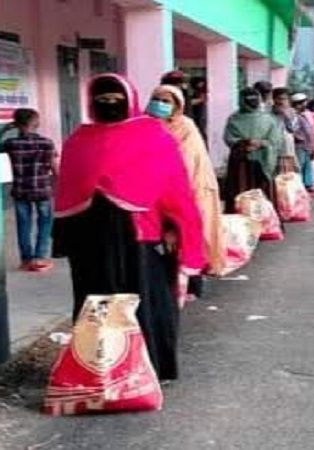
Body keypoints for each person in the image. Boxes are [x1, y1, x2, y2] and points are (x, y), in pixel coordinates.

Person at [53, 74, 205, 381]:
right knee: (96, 301)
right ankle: (101, 368)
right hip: (89, 239)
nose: (109, 104)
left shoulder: (154, 136)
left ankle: (146, 367)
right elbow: (67, 189)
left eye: (116, 99)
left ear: (130, 100)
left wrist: (177, 227)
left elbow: (175, 187)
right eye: (102, 99)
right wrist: (64, 238)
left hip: (139, 235)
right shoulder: (80, 139)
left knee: (144, 298)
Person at [147, 85, 226, 277]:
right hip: (151, 189)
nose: (160, 105)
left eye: (166, 102)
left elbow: (187, 159)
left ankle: (192, 277)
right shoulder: (143, 125)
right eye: (156, 100)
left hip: (188, 186)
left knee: (188, 230)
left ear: (177, 105)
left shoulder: (186, 127)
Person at [2, 108, 57, 272]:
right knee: (45, 222)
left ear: (17, 124)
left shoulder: (11, 144)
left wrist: (5, 128)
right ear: (35, 122)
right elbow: (55, 168)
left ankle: (26, 260)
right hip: (43, 189)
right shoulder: (47, 143)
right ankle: (39, 258)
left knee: (23, 224)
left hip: (21, 190)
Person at [223, 87, 284, 210]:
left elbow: (276, 139)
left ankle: (265, 220)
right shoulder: (234, 119)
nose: (252, 102)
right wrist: (245, 143)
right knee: (241, 191)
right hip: (241, 162)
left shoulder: (268, 119)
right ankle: (242, 220)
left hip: (263, 162)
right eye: (249, 99)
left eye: (254, 99)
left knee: (262, 192)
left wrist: (261, 143)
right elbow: (229, 138)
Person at [291, 93, 314, 191]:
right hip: (299, 146)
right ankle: (300, 187)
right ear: (298, 104)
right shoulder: (294, 116)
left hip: (306, 146)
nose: (305, 105)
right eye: (303, 103)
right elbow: (292, 130)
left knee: (307, 166)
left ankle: (307, 185)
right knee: (300, 166)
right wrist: (298, 138)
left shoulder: (302, 115)